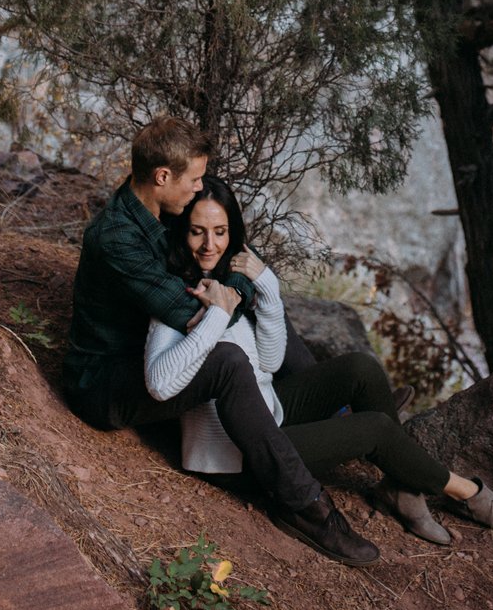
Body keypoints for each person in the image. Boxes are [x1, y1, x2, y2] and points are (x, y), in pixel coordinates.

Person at [145, 174, 493, 545]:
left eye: (220, 232)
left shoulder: (232, 284)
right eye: (197, 231)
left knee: (360, 369)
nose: (209, 245)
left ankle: (401, 487)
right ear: (183, 232)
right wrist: (214, 316)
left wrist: (267, 287)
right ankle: (466, 491)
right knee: (376, 429)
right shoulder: (174, 297)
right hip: (235, 457)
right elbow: (159, 384)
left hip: (271, 415)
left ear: (234, 236)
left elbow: (269, 360)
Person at [61, 117, 379, 564]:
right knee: (228, 356)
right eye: (193, 180)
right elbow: (192, 312)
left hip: (156, 355)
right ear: (163, 177)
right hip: (107, 383)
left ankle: (320, 408)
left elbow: (211, 284)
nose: (198, 188)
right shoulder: (117, 238)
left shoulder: (154, 211)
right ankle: (306, 506)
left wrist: (235, 280)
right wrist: (238, 287)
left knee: (259, 313)